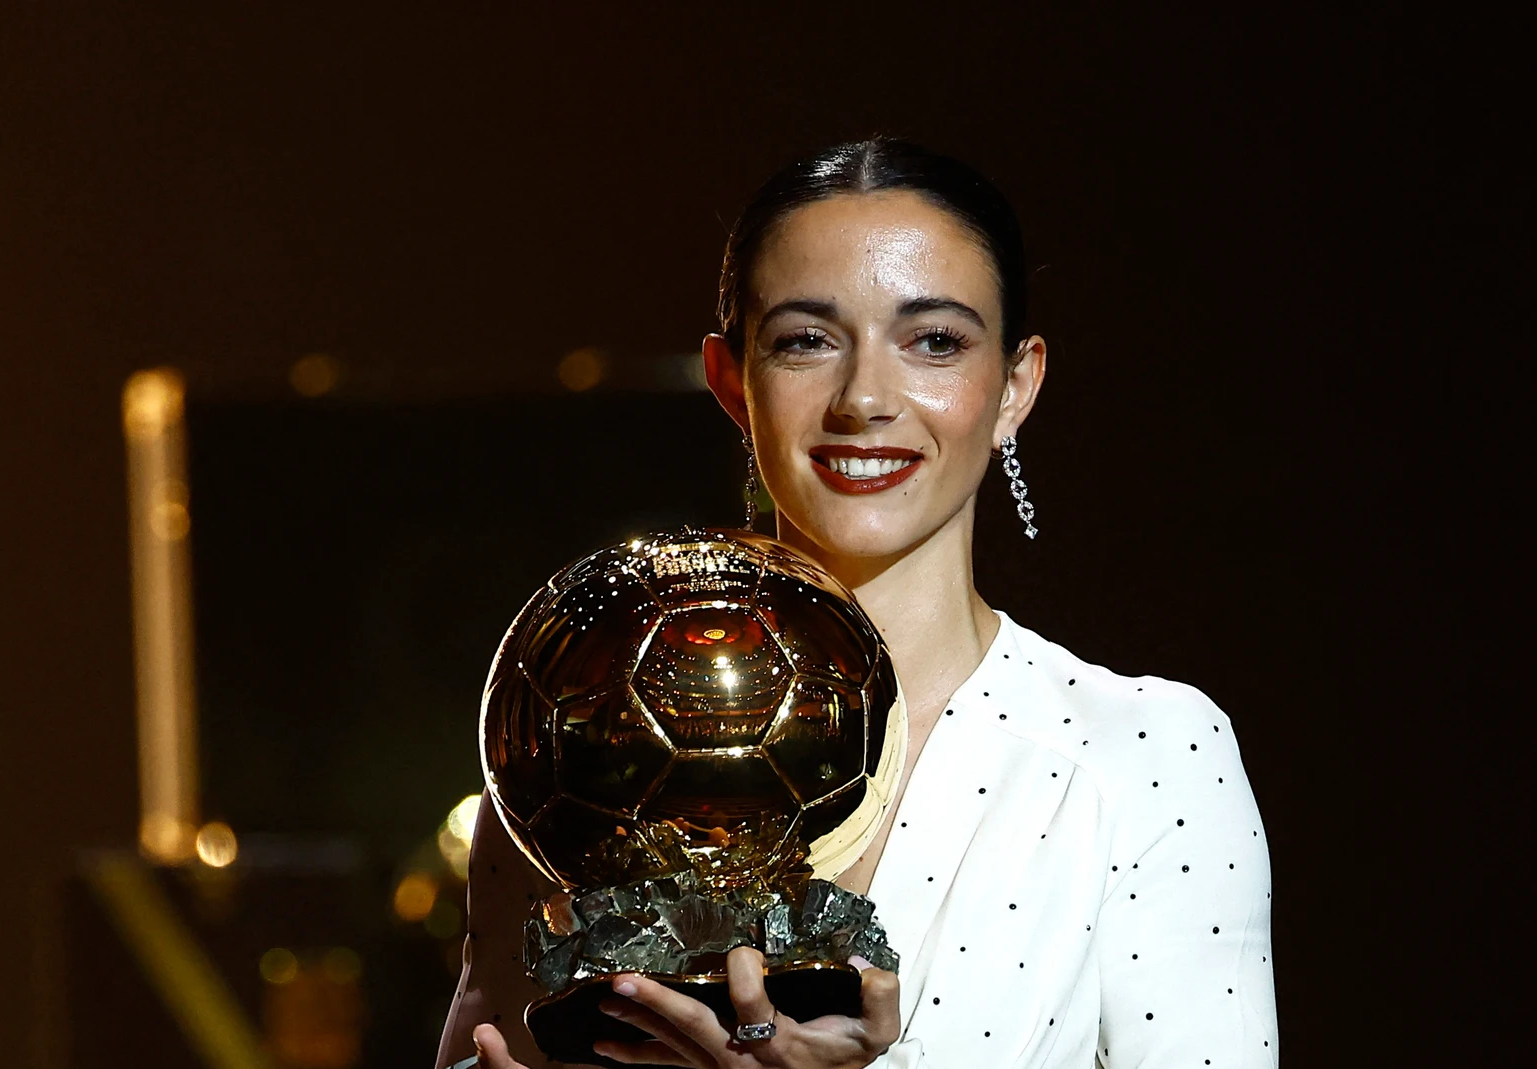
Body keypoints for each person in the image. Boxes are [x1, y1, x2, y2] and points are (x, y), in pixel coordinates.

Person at [438, 138, 1277, 1069]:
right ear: (732, 381)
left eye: (935, 342)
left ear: (1016, 385)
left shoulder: (1145, 756)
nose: (866, 398)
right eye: (806, 340)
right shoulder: (580, 755)